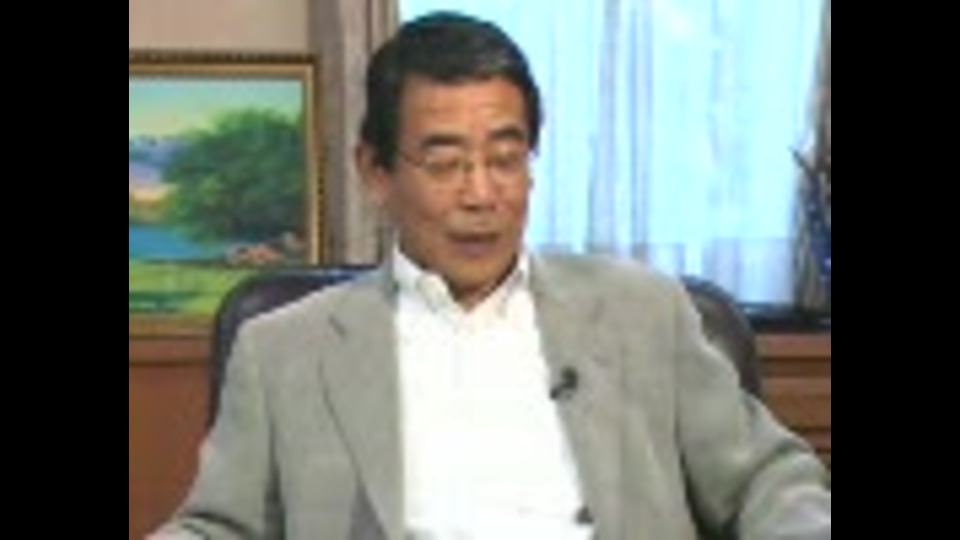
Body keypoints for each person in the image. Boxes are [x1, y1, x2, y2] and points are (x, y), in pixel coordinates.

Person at [150, 10, 831, 539]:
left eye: (506, 159)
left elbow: (771, 480)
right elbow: (217, 528)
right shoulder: (283, 352)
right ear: (375, 172)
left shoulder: (643, 311)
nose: (481, 195)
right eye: (445, 164)